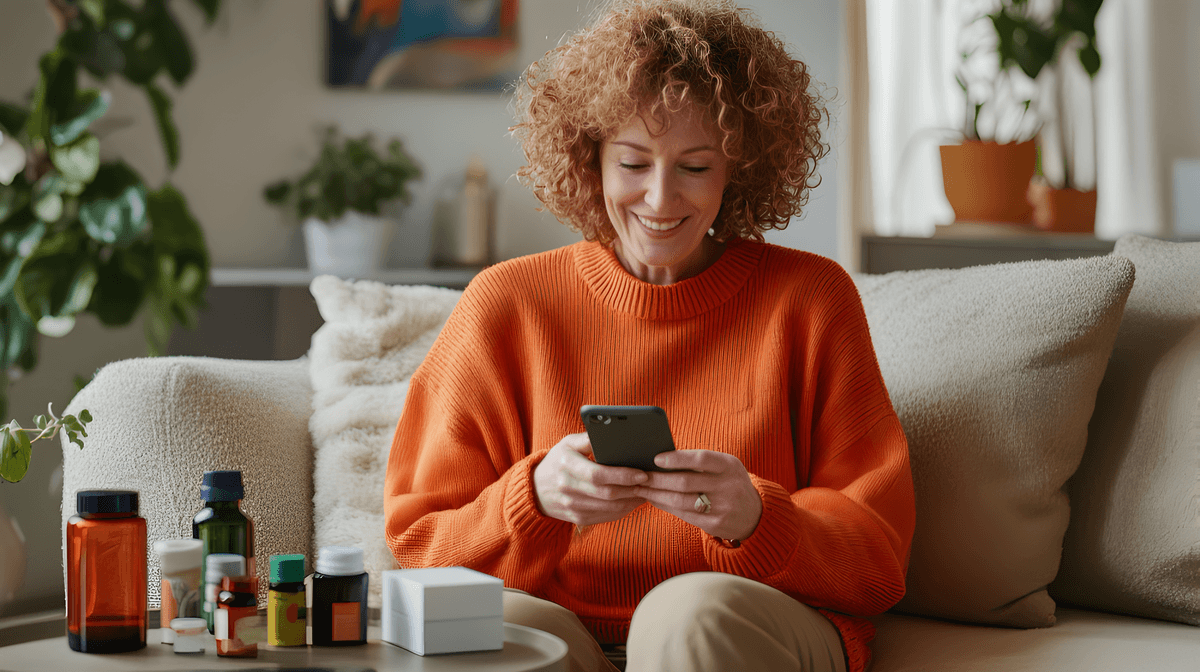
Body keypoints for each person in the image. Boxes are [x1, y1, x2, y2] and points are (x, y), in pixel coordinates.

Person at [383, 1, 915, 671]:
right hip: (566, 621)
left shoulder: (810, 300)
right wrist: (535, 500)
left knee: (683, 614)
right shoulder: (507, 303)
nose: (662, 202)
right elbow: (420, 545)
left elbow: (879, 563)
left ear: (738, 170)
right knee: (496, 632)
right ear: (590, 160)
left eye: (695, 168)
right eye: (633, 164)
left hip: (744, 622)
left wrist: (758, 517)